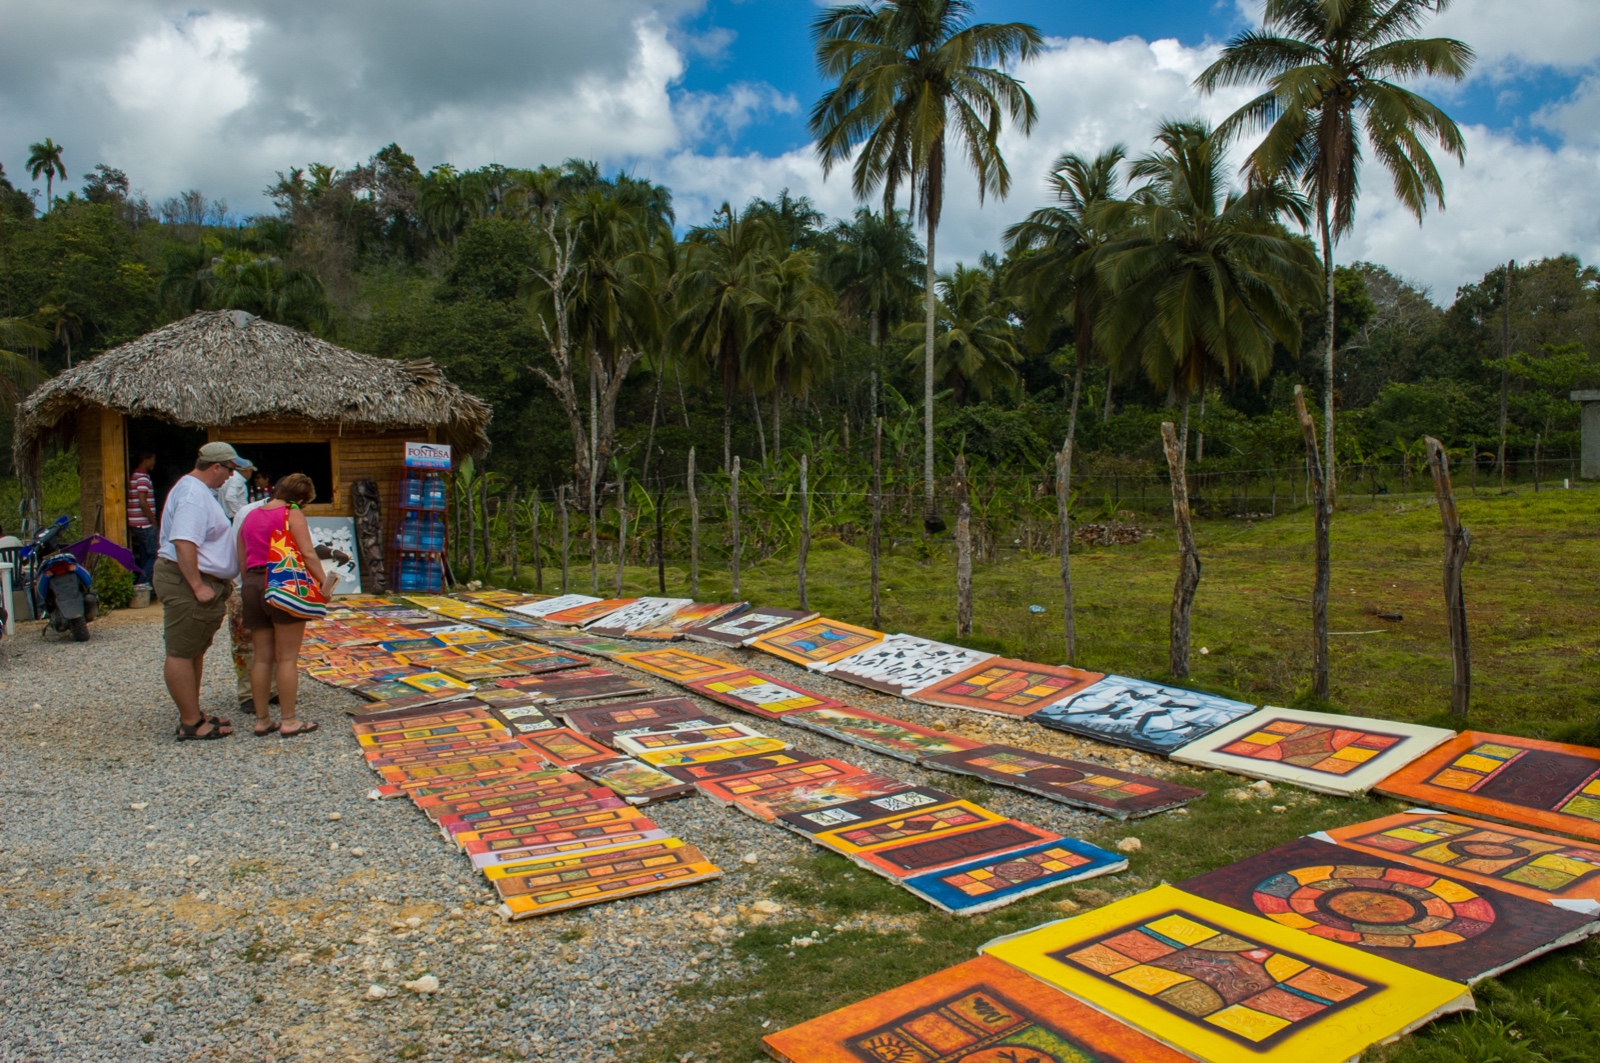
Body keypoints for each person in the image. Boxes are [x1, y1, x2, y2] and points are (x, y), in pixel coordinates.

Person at [237, 473, 337, 738]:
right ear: (300, 499)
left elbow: (241, 554)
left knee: (261, 658)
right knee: (287, 658)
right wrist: (324, 584)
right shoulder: (290, 514)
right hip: (282, 584)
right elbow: (307, 553)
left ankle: (262, 720)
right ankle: (289, 720)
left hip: (252, 584)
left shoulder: (251, 515)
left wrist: (251, 583)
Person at [155, 442, 244, 741]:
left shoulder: (193, 489)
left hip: (195, 578)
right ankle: (191, 722)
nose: (230, 477)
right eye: (229, 470)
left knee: (194, 648)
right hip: (188, 581)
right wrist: (196, 585)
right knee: (182, 651)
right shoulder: (194, 494)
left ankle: (192, 712)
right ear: (216, 467)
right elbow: (183, 541)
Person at [127, 451, 158, 587]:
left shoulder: (134, 476)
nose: (154, 463)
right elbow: (142, 502)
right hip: (144, 524)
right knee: (154, 555)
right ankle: (142, 585)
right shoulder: (143, 478)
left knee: (146, 555)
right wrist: (153, 520)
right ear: (146, 459)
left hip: (136, 523)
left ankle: (146, 588)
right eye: (153, 459)